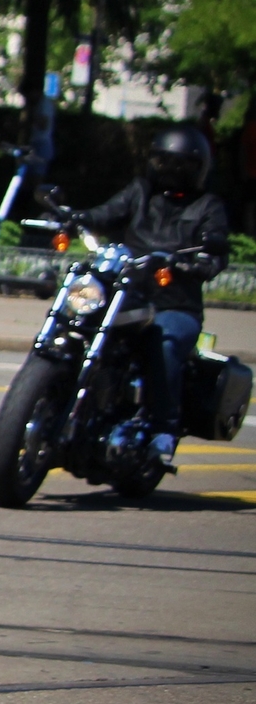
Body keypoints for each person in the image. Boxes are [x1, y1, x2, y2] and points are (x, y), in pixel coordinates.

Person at [67, 126, 232, 467]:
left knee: (165, 342)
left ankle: (163, 429)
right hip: (126, 295)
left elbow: (216, 245)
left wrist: (203, 261)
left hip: (175, 305)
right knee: (78, 318)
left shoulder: (208, 206)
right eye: (163, 162)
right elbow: (106, 213)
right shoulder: (140, 192)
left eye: (180, 165)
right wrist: (77, 219)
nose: (169, 171)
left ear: (196, 168)